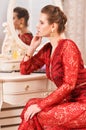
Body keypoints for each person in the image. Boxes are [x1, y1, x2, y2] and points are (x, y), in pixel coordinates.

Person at [18, 5, 86, 130]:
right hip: (70, 101)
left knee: (39, 113)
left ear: (53, 26)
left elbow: (69, 85)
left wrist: (41, 105)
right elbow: (25, 69)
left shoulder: (68, 47)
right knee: (31, 104)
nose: (37, 26)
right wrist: (31, 48)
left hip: (83, 103)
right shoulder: (47, 49)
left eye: (41, 22)